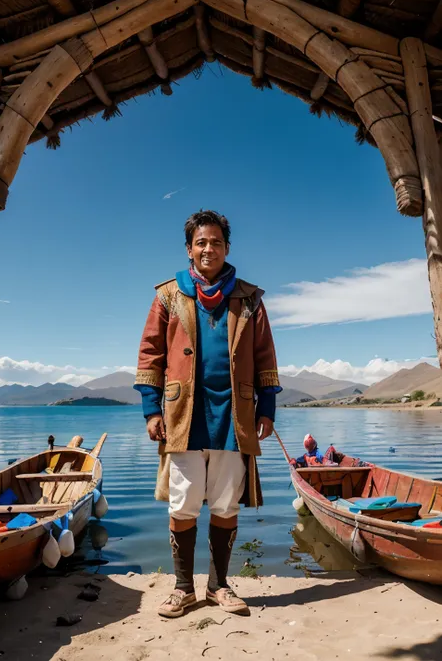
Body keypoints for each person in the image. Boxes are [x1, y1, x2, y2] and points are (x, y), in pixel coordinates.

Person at [134, 210, 282, 618]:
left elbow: (265, 355)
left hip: (235, 415)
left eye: (216, 242)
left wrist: (266, 407)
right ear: (189, 249)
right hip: (184, 414)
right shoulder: (169, 295)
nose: (208, 248)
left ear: (227, 248)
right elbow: (151, 355)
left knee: (224, 502)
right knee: (182, 503)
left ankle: (219, 586)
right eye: (201, 242)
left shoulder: (250, 297)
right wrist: (151, 410)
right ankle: (183, 588)